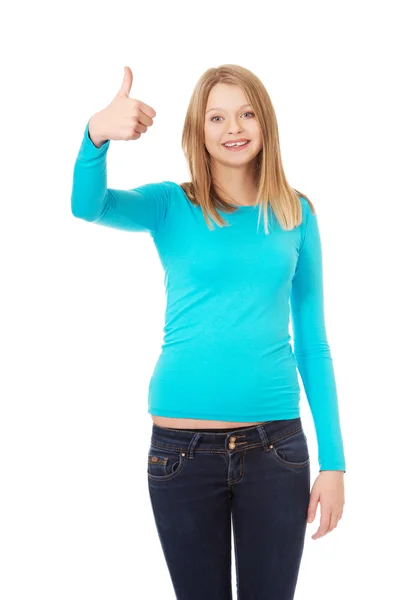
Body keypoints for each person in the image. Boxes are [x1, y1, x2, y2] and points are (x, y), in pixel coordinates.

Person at [71, 63, 346, 600]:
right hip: (180, 454)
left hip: (277, 452)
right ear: (199, 130)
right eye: (217, 116)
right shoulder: (172, 204)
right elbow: (89, 205)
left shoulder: (297, 213)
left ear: (265, 122)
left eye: (246, 113)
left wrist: (334, 462)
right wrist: (96, 134)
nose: (233, 127)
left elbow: (313, 343)